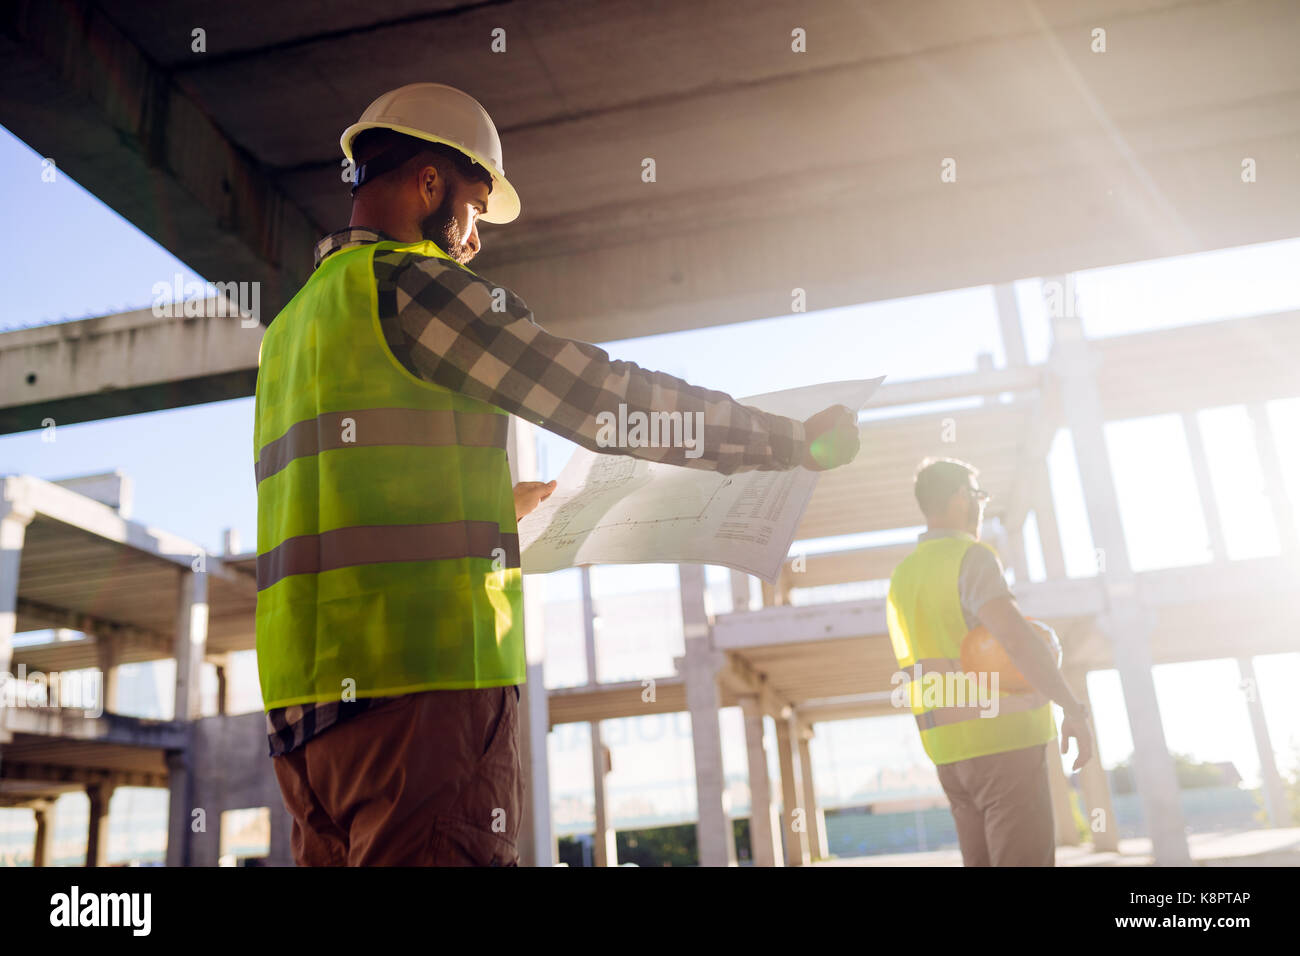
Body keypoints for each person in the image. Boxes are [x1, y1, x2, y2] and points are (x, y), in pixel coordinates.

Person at [254, 83, 862, 866]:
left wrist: (489, 512)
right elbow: (601, 399)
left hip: (306, 722)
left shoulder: (289, 330)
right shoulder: (410, 286)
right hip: (424, 695)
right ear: (430, 183)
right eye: (473, 207)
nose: (472, 240)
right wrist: (780, 442)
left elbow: (337, 505)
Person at [885, 457, 1095, 866]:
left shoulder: (902, 577)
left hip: (949, 755)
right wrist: (1073, 707)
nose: (982, 506)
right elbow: (1015, 638)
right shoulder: (971, 557)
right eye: (979, 496)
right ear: (962, 498)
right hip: (1006, 743)